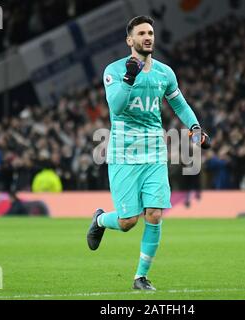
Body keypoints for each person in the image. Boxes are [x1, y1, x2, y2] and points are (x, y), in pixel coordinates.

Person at [86, 16, 210, 291]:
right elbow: (117, 108)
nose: (148, 37)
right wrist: (130, 78)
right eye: (141, 33)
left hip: (154, 152)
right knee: (128, 221)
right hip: (124, 154)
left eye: (151, 32)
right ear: (130, 40)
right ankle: (100, 220)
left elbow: (180, 104)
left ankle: (140, 277)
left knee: (154, 214)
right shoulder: (115, 71)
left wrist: (194, 126)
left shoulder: (165, 73)